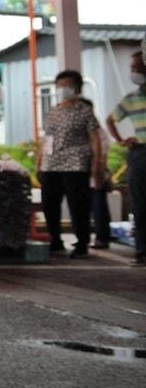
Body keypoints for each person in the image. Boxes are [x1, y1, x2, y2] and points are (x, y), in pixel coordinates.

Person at [39, 69, 106, 259]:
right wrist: (39, 163)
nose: (62, 89)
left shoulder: (84, 111)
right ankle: (55, 241)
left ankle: (82, 243)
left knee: (78, 205)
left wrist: (96, 164)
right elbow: (46, 139)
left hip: (76, 163)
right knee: (49, 203)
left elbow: (95, 138)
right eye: (59, 86)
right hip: (51, 164)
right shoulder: (53, 112)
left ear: (76, 88)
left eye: (66, 85)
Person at [106, 51, 146, 265]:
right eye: (132, 68)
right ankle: (142, 250)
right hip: (140, 152)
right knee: (140, 203)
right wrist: (121, 140)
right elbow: (110, 119)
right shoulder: (131, 99)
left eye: (138, 67)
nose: (134, 72)